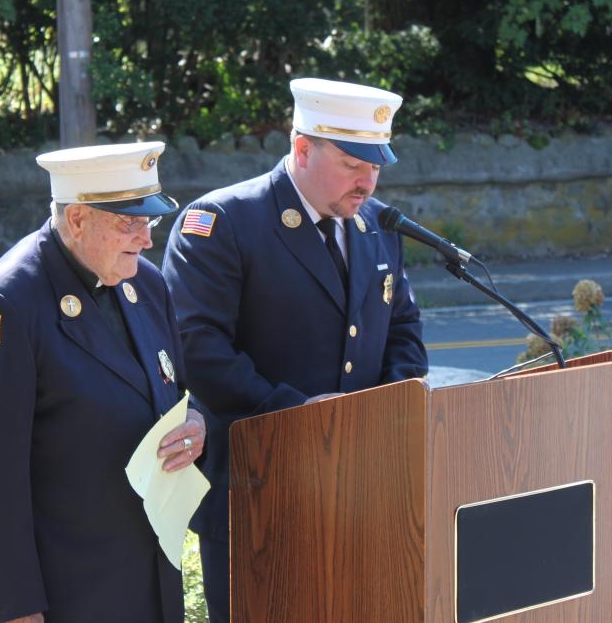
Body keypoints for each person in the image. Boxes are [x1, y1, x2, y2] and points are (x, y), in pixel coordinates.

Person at [162, 77, 428, 622]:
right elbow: (199, 348)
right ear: (302, 149)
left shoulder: (379, 224)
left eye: (376, 166)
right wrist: (298, 415)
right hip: (258, 487)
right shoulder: (221, 222)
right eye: (354, 164)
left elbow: (402, 326)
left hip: (361, 487)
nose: (368, 181)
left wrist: (385, 411)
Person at [0, 142, 207, 623]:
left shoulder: (144, 284)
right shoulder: (3, 306)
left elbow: (175, 390)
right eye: (130, 222)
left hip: (152, 582)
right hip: (69, 595)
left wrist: (196, 423)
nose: (147, 240)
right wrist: (12, 609)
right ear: (79, 218)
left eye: (150, 221)